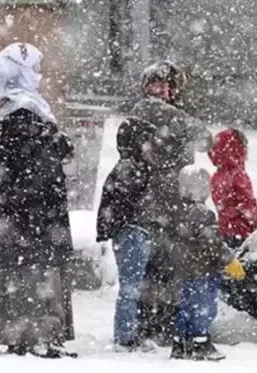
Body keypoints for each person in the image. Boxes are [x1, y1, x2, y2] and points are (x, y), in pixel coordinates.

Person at [0, 42, 77, 358]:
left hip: (20, 216)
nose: (39, 76)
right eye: (34, 70)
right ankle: (38, 335)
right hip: (34, 216)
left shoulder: (17, 111)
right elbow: (34, 164)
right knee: (37, 275)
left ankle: (26, 334)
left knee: (21, 275)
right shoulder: (24, 112)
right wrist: (55, 145)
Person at [131, 60, 211, 347]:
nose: (163, 89)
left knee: (167, 266)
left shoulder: (167, 114)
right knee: (156, 265)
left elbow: (202, 139)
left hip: (171, 204)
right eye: (157, 83)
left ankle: (161, 324)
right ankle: (151, 326)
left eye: (167, 84)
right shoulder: (148, 109)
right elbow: (201, 133)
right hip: (155, 204)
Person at [168, 165, 245, 361]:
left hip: (182, 271)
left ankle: (180, 343)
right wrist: (229, 260)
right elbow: (212, 243)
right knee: (203, 308)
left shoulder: (176, 211)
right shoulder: (203, 213)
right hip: (202, 270)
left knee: (183, 307)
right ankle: (200, 343)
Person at [96, 117, 157, 351]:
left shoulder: (136, 167)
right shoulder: (130, 169)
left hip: (134, 231)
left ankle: (133, 331)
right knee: (130, 287)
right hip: (131, 233)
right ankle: (125, 336)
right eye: (147, 142)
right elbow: (126, 204)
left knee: (135, 286)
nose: (151, 147)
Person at [208, 128, 257, 249]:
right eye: (244, 147)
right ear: (236, 150)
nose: (247, 151)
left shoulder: (217, 176)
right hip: (242, 234)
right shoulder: (238, 176)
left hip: (226, 232)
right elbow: (247, 205)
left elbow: (227, 207)